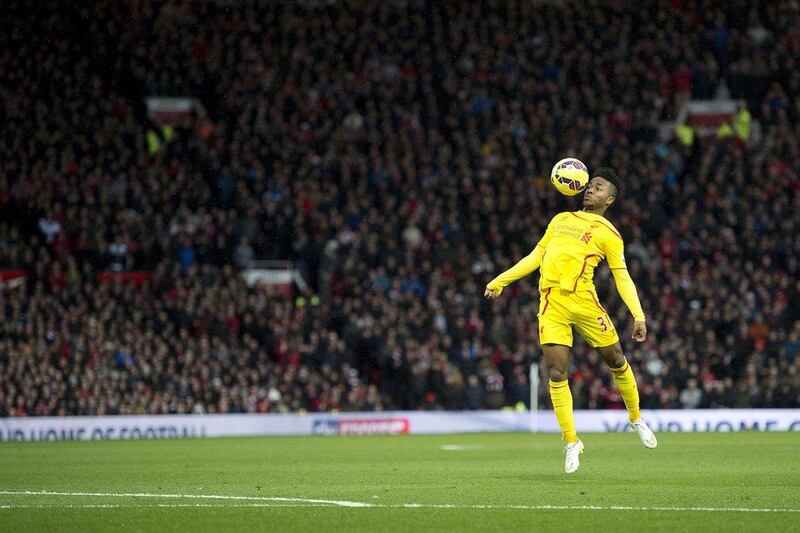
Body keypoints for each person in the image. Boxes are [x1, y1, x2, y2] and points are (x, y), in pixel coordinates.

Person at [484, 167, 657, 473]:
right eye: (589, 185)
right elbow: (535, 257)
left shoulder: (609, 235)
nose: (590, 189)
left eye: (599, 187)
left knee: (616, 359)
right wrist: (501, 280)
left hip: (585, 302)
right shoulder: (560, 220)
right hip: (552, 303)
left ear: (610, 199)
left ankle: (636, 418)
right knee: (556, 372)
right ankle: (571, 441)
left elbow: (623, 277)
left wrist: (638, 315)